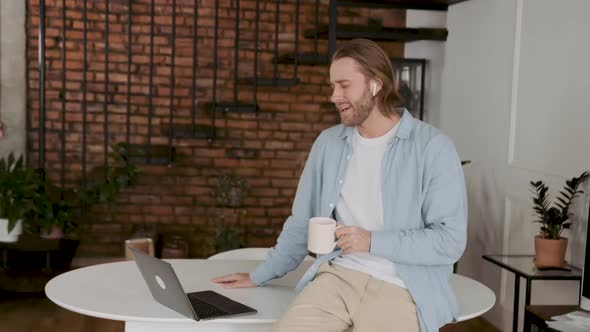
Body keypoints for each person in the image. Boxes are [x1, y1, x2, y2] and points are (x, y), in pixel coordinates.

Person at [212, 38, 467, 332]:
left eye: (344, 85)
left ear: (376, 84)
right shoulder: (329, 143)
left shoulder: (433, 147)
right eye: (332, 86)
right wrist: (260, 275)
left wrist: (372, 241)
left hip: (402, 286)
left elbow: (449, 241)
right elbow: (301, 221)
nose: (334, 96)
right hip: (337, 277)